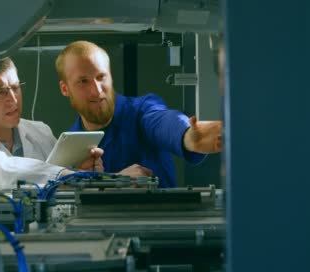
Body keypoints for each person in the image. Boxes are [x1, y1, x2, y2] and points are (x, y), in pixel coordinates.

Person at [55, 40, 222, 188]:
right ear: (65, 89)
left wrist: (186, 135)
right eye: (83, 81)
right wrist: (112, 181)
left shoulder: (141, 111)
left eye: (101, 77)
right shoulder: (70, 147)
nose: (97, 91)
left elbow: (162, 121)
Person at [0, 57, 103, 191]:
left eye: (15, 87)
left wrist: (82, 170)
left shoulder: (40, 131)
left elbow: (58, 179)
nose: (13, 99)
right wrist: (64, 175)